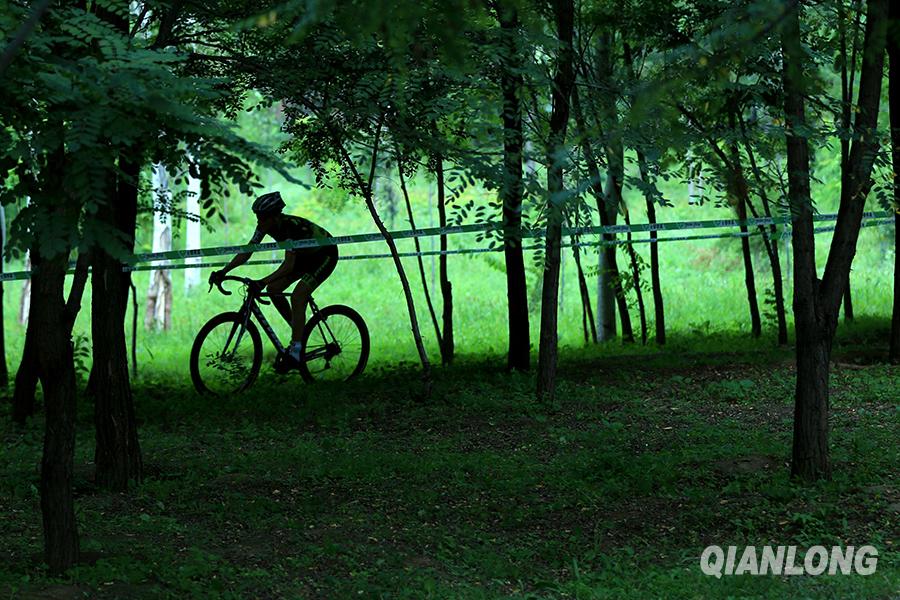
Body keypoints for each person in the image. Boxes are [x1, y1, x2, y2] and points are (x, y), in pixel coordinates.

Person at [209, 191, 338, 373]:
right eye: (257, 217)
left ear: (276, 216)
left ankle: (296, 348)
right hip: (304, 256)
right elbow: (248, 251)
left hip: (324, 255)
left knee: (298, 295)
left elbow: (288, 265)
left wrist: (261, 281)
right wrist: (223, 271)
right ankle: (299, 333)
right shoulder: (265, 226)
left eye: (262, 218)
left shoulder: (290, 228)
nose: (259, 222)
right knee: (273, 289)